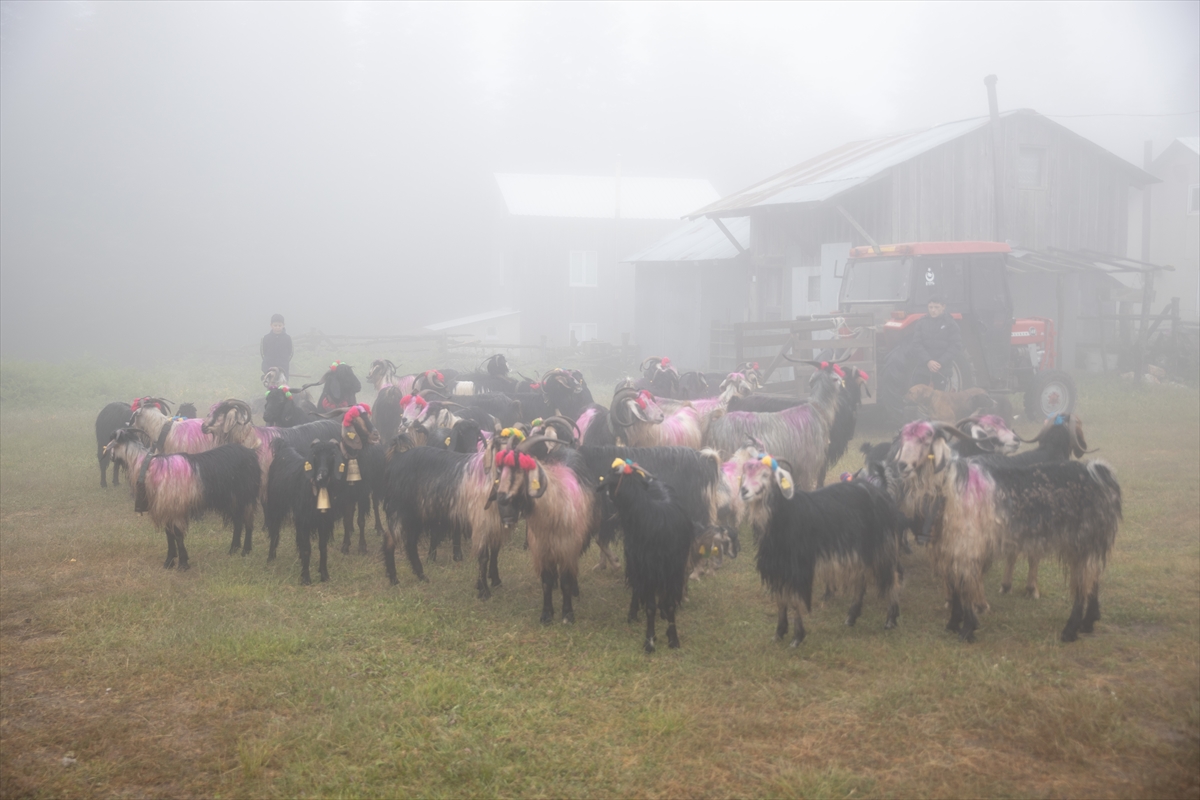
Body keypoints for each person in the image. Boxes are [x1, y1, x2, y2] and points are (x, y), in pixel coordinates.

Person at [880, 296, 964, 414]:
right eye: (930, 307)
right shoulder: (921, 322)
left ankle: (939, 426)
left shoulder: (951, 324)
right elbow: (916, 344)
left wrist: (940, 362)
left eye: (936, 307)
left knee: (939, 402)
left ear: (943, 307)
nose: (933, 310)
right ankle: (916, 424)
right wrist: (928, 361)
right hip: (923, 369)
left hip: (942, 370)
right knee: (915, 398)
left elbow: (955, 346)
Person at [261, 313, 293, 379]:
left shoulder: (287, 338)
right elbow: (263, 352)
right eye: (275, 325)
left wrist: (285, 361)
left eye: (279, 325)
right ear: (271, 325)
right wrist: (267, 362)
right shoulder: (266, 338)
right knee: (271, 387)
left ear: (283, 325)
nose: (277, 327)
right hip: (269, 367)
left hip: (283, 368)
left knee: (283, 387)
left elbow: (290, 352)